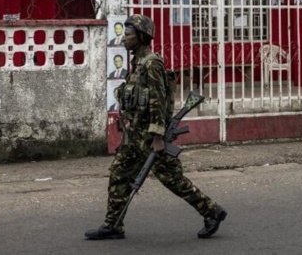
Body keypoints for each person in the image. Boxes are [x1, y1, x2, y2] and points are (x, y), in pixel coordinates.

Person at [85, 14, 227, 241]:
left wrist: (158, 137)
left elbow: (158, 102)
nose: (124, 39)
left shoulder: (152, 62)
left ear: (141, 37)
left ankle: (212, 211)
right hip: (134, 137)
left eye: (129, 35)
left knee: (173, 180)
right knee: (119, 175)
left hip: (150, 138)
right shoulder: (137, 63)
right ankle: (113, 225)